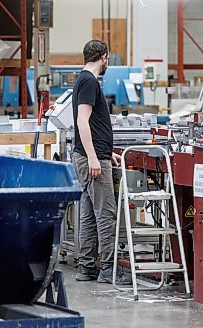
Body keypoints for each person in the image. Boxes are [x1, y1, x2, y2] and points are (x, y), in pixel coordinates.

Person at [72, 39, 131, 285]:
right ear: (104, 57)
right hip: (91, 159)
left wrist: (107, 152)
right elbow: (82, 121)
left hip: (93, 156)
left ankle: (86, 267)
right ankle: (109, 268)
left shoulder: (83, 80)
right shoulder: (88, 81)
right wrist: (95, 157)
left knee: (88, 213)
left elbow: (93, 124)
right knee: (105, 214)